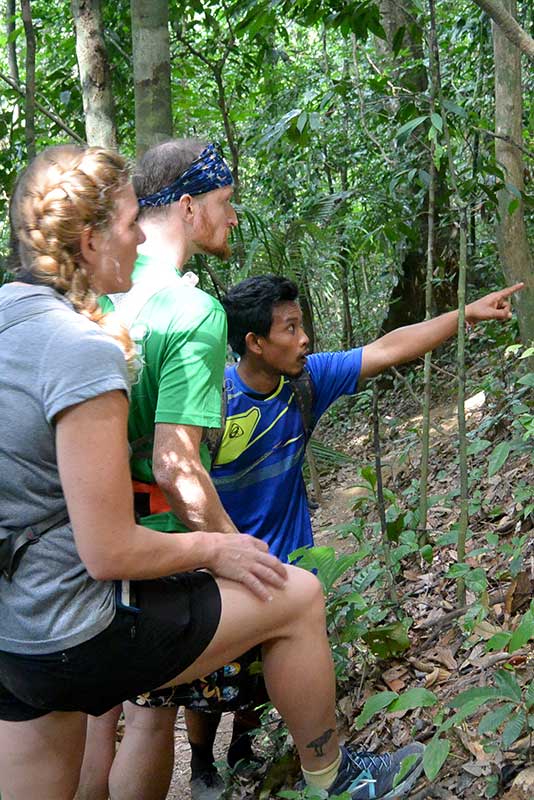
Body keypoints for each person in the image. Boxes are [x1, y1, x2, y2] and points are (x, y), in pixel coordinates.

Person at [0, 144, 426, 800]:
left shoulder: (10, 316)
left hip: (13, 633)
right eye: (125, 224)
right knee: (298, 597)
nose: (138, 236)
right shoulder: (83, 348)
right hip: (75, 625)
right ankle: (337, 780)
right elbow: (110, 545)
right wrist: (220, 548)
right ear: (87, 241)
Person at [76, 138, 250, 800]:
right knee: (152, 718)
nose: (231, 217)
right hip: (150, 538)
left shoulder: (91, 284)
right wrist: (233, 549)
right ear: (188, 207)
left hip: (78, 537)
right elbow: (177, 464)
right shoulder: (191, 310)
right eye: (224, 203)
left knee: (95, 724)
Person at [211, 274, 523, 561]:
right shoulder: (212, 404)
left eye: (301, 326)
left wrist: (464, 313)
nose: (304, 338)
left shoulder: (308, 380)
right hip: (232, 580)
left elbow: (387, 349)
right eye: (290, 328)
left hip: (298, 575)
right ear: (255, 343)